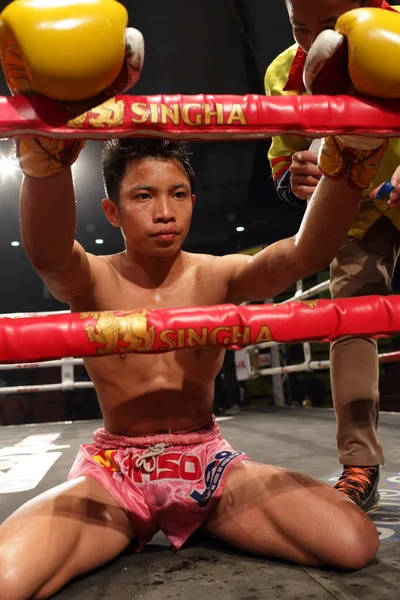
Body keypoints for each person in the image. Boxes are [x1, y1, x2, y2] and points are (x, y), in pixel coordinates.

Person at [0, 128, 385, 598]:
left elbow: (306, 253)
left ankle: (205, 519)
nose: (165, 212)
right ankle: (150, 523)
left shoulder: (218, 275)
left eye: (177, 194)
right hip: (116, 470)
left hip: (205, 463)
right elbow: (49, 254)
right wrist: (48, 165)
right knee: (6, 578)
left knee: (353, 542)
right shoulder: (92, 279)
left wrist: (350, 162)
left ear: (192, 200)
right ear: (112, 211)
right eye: (144, 196)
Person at [265, 0, 400, 513]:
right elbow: (284, 158)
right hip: (353, 211)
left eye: (329, 25)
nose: (314, 42)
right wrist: (295, 179)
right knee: (351, 320)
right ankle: (360, 462)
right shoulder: (284, 70)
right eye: (300, 27)